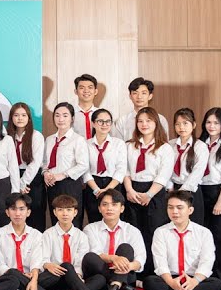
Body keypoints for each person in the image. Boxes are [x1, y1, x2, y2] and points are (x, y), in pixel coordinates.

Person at [142, 191, 221, 290]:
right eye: (170, 207)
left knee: (216, 284)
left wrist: (194, 281)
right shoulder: (161, 232)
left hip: (194, 279)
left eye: (179, 208)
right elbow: (160, 262)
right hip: (171, 279)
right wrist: (171, 282)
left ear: (190, 210)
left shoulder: (204, 232)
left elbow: (207, 262)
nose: (174, 211)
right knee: (150, 282)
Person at [40, 195, 110, 290]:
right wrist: (47, 264)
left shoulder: (81, 236)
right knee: (66, 266)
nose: (65, 214)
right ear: (54, 212)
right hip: (55, 278)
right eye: (60, 210)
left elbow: (80, 261)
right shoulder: (47, 234)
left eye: (69, 210)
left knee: (100, 278)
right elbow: (43, 258)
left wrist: (78, 275)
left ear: (75, 212)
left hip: (74, 281)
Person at [123, 106, 174, 272]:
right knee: (134, 232)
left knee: (153, 231)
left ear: (156, 123)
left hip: (155, 192)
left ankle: (153, 272)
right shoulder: (129, 146)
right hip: (132, 190)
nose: (144, 124)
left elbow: (164, 174)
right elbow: (125, 170)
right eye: (140, 121)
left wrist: (149, 194)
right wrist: (129, 190)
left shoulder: (164, 148)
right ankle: (136, 272)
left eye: (148, 121)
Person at [81, 189, 147, 290]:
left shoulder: (132, 231)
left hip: (124, 275)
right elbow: (96, 253)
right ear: (99, 208)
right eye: (105, 204)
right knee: (90, 257)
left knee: (126, 248)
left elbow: (140, 260)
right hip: (101, 281)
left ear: (122, 208)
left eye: (114, 204)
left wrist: (128, 266)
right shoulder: (90, 229)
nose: (109, 208)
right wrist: (114, 258)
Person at [0, 193, 50, 290]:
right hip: (9, 278)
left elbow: (36, 261)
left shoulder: (36, 235)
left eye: (21, 209)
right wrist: (19, 276)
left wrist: (33, 279)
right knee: (12, 274)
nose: (17, 213)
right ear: (7, 212)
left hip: (31, 277)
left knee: (53, 275)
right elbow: (0, 265)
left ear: (28, 212)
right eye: (13, 209)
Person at [40, 102, 88, 231]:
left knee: (72, 222)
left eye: (65, 115)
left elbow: (83, 165)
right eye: (57, 115)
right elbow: (44, 162)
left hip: (70, 184)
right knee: (55, 221)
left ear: (72, 118)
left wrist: (62, 175)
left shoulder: (78, 140)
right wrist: (45, 173)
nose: (61, 119)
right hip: (52, 185)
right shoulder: (49, 139)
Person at [82, 108, 126, 227]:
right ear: (93, 123)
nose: (104, 124)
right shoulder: (85, 144)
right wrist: (96, 190)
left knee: (114, 220)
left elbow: (121, 169)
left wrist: (107, 190)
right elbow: (85, 169)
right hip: (93, 186)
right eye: (100, 121)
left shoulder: (119, 144)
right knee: (94, 220)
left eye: (108, 122)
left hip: (114, 185)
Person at [166, 108, 209, 224]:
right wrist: (170, 187)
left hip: (191, 191)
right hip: (172, 190)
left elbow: (198, 171)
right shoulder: (170, 145)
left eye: (185, 123)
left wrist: (182, 192)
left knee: (193, 226)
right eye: (177, 124)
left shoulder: (200, 146)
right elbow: (166, 168)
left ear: (194, 125)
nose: (181, 127)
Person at [8, 102, 45, 229]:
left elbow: (36, 162)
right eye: (16, 115)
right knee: (15, 212)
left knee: (35, 213)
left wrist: (23, 183)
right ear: (11, 117)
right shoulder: (7, 137)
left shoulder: (36, 136)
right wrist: (16, 184)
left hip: (32, 178)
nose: (20, 118)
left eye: (23, 115)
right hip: (12, 176)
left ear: (29, 118)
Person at [112, 77, 169, 142]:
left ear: (150, 96)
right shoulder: (122, 121)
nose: (139, 97)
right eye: (135, 93)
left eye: (143, 93)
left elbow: (164, 143)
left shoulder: (160, 119)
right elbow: (118, 145)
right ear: (130, 96)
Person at [70, 73, 100, 140]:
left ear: (95, 91)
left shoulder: (102, 114)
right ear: (76, 91)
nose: (86, 91)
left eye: (90, 87)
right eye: (82, 88)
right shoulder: (69, 114)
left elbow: (113, 138)